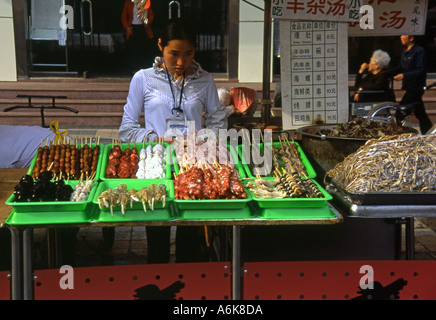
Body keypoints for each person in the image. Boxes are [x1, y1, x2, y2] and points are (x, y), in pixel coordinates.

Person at [118, 18, 228, 263]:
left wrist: (204, 140)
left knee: (189, 240)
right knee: (156, 236)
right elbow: (126, 130)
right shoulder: (143, 79)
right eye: (174, 54)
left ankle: (186, 292)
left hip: (193, 167)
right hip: (156, 167)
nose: (181, 62)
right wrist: (156, 139)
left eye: (188, 54)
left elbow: (218, 122)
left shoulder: (205, 80)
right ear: (160, 46)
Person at [389, 35, 433, 134]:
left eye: (404, 35)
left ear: (411, 38)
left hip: (416, 86)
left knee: (401, 110)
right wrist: (386, 73)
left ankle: (398, 133)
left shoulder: (419, 51)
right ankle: (429, 133)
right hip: (409, 86)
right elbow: (400, 67)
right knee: (420, 113)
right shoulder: (405, 50)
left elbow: (420, 70)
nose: (401, 37)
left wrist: (404, 75)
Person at [121, 0, 156, 73]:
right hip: (132, 28)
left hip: (143, 28)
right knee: (133, 49)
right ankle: (133, 69)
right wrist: (127, 27)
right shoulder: (128, 3)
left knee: (143, 49)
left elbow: (151, 15)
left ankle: (144, 68)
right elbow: (124, 16)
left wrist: (148, 22)